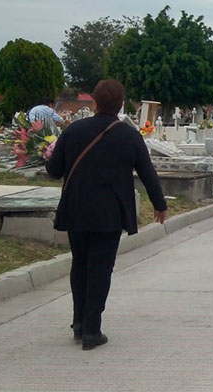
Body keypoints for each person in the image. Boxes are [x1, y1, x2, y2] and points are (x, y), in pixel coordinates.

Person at [46, 79, 167, 351]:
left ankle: (78, 323)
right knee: (100, 269)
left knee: (80, 265)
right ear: (121, 104)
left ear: (94, 102)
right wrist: (160, 205)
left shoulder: (74, 130)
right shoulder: (129, 135)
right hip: (110, 213)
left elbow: (54, 170)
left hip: (76, 209)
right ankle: (92, 329)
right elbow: (147, 173)